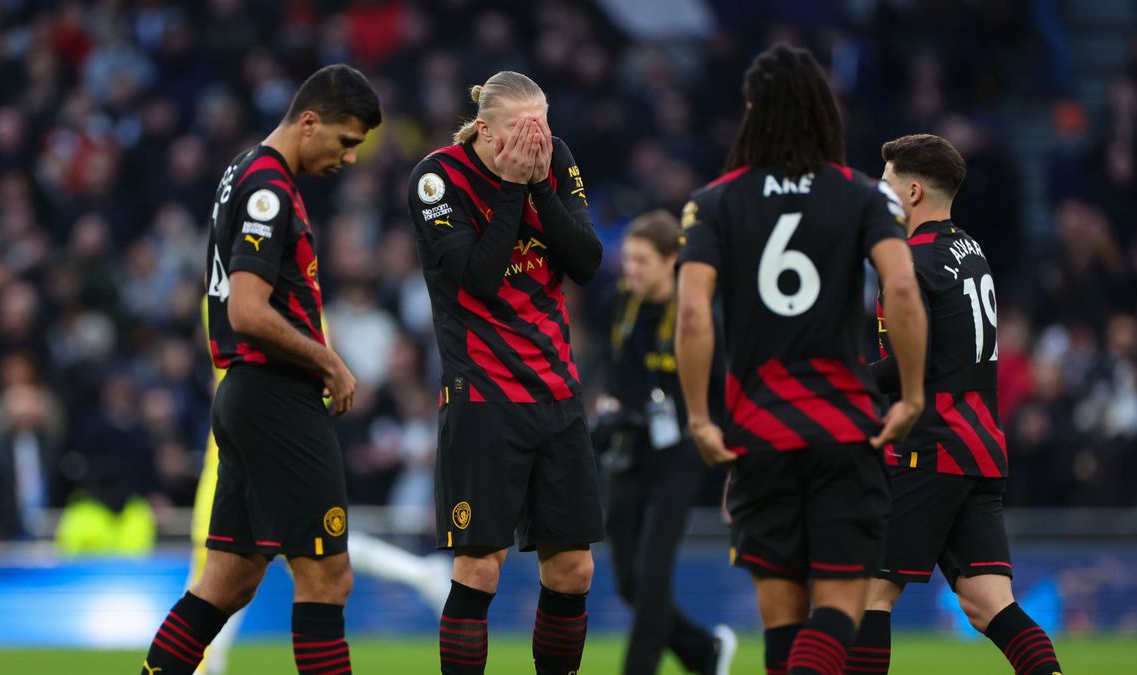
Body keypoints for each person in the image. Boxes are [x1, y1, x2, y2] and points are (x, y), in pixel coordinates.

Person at [674, 44, 928, 675]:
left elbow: (692, 313)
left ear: (753, 110)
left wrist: (702, 418)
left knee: (783, 626)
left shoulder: (713, 200)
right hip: (844, 427)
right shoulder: (867, 197)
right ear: (824, 109)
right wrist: (914, 395)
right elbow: (901, 288)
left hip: (758, 433)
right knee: (838, 611)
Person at [138, 63, 381, 675]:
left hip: (246, 394)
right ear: (309, 121)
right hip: (275, 397)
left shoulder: (242, 171)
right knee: (328, 577)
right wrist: (329, 362)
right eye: (346, 141)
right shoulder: (269, 190)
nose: (349, 158)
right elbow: (248, 310)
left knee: (231, 576)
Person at [843, 135, 1064, 675]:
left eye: (887, 183)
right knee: (989, 603)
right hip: (981, 444)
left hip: (931, 445)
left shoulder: (910, 263)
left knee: (867, 592)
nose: (880, 193)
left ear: (913, 191)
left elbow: (904, 367)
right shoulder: (969, 249)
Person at [407, 70, 604, 675]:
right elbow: (479, 278)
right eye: (518, 132)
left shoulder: (553, 159)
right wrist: (516, 188)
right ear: (485, 132)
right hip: (484, 395)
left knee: (573, 570)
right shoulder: (437, 177)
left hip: (556, 392)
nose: (532, 141)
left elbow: (588, 262)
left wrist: (538, 182)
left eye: (541, 128)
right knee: (480, 567)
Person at [185, 301, 451, 675]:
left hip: (254, 445)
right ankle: (421, 573)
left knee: (227, 560)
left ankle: (206, 665)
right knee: (305, 558)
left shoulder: (247, 295)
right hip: (261, 441)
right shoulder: (294, 298)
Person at [599, 210, 736, 675]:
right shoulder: (622, 302)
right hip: (631, 447)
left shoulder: (697, 313)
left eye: (641, 260)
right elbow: (617, 369)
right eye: (628, 259)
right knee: (627, 581)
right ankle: (705, 653)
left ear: (672, 261)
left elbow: (723, 392)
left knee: (653, 576)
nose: (630, 269)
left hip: (680, 454)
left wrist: (729, 460)